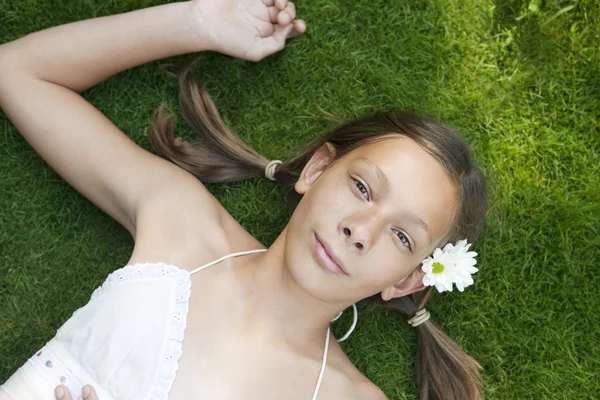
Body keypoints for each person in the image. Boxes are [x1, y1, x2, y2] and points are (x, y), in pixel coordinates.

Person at [0, 0, 488, 399]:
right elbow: (17, 72)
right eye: (361, 188)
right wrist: (198, 21)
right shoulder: (184, 223)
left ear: (406, 281)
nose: (360, 231)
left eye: (401, 236)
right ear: (316, 170)